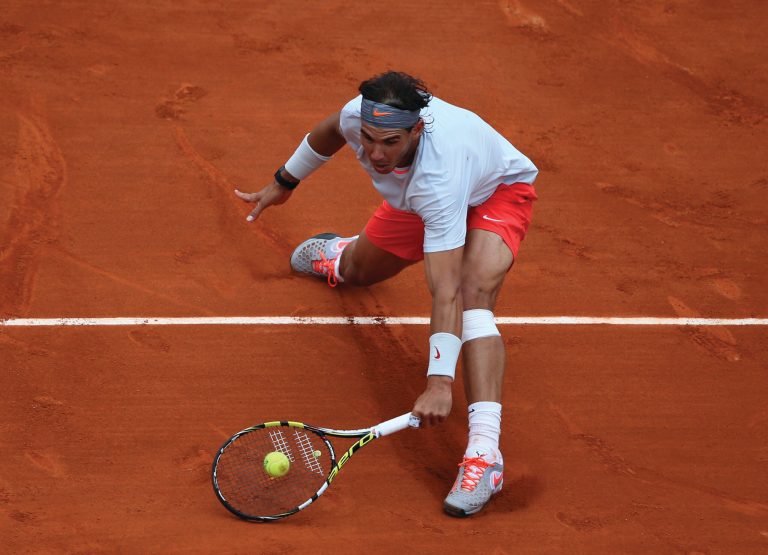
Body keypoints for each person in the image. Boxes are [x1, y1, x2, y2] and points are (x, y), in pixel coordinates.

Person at [234, 71, 538, 517]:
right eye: (370, 139)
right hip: (416, 203)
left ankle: (484, 456)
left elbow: (445, 290)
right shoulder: (361, 118)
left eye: (389, 143)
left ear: (417, 129)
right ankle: (340, 257)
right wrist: (284, 181)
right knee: (358, 270)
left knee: (472, 297)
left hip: (494, 194)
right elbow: (329, 132)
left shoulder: (439, 176)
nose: (375, 153)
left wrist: (439, 382)